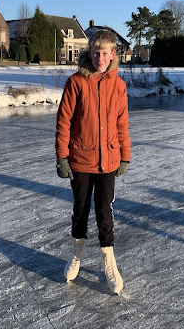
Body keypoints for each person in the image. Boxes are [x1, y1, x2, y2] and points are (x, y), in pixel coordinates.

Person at [55, 30, 131, 295]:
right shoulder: (75, 82)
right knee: (80, 209)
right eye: (96, 52)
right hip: (81, 159)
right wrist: (62, 156)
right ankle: (77, 253)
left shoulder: (119, 85)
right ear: (90, 53)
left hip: (108, 160)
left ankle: (109, 259)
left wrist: (125, 155)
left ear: (113, 55)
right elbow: (64, 122)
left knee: (105, 212)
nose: (100, 58)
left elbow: (122, 124)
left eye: (105, 53)